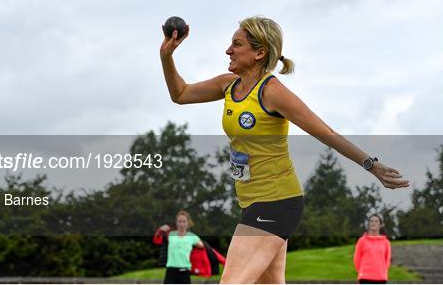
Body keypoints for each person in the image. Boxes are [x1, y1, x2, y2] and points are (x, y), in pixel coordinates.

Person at [158, 15, 410, 283]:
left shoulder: (272, 92)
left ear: (259, 52)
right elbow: (180, 94)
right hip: (252, 202)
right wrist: (166, 56)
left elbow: (326, 133)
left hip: (276, 202)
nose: (228, 50)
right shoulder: (228, 85)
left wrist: (371, 165)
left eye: (236, 44)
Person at [155, 210, 204, 284]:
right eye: (179, 221)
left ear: (188, 223)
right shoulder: (170, 234)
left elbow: (202, 246)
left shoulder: (192, 236)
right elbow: (157, 240)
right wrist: (160, 230)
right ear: (176, 223)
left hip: (185, 272)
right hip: (171, 271)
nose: (181, 224)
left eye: (184, 221)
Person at [354, 214, 391, 284]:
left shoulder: (386, 242)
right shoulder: (361, 241)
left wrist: (382, 272)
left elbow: (387, 261)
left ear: (380, 225)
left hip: (381, 278)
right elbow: (357, 260)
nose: (373, 223)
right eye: (371, 221)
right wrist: (362, 272)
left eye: (376, 221)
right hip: (364, 278)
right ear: (369, 224)